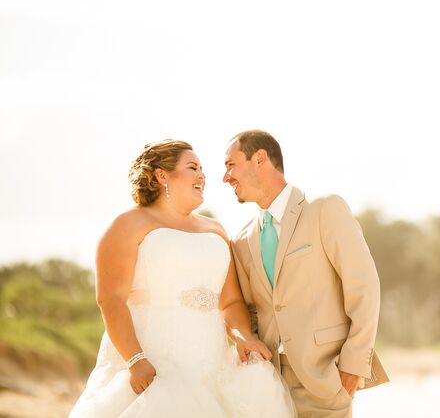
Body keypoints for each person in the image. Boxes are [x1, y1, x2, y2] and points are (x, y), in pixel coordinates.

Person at [69, 140, 296, 418]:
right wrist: (135, 359)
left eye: (202, 169)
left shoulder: (216, 230)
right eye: (192, 168)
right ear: (162, 175)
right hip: (155, 365)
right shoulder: (127, 225)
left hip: (212, 365)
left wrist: (243, 337)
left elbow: (231, 301)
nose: (202, 175)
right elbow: (110, 298)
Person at [223, 130, 388, 418]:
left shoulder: (325, 208)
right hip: (267, 384)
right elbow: (251, 310)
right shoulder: (240, 240)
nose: (226, 177)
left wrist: (354, 364)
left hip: (327, 378)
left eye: (230, 165)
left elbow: (364, 286)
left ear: (260, 159)